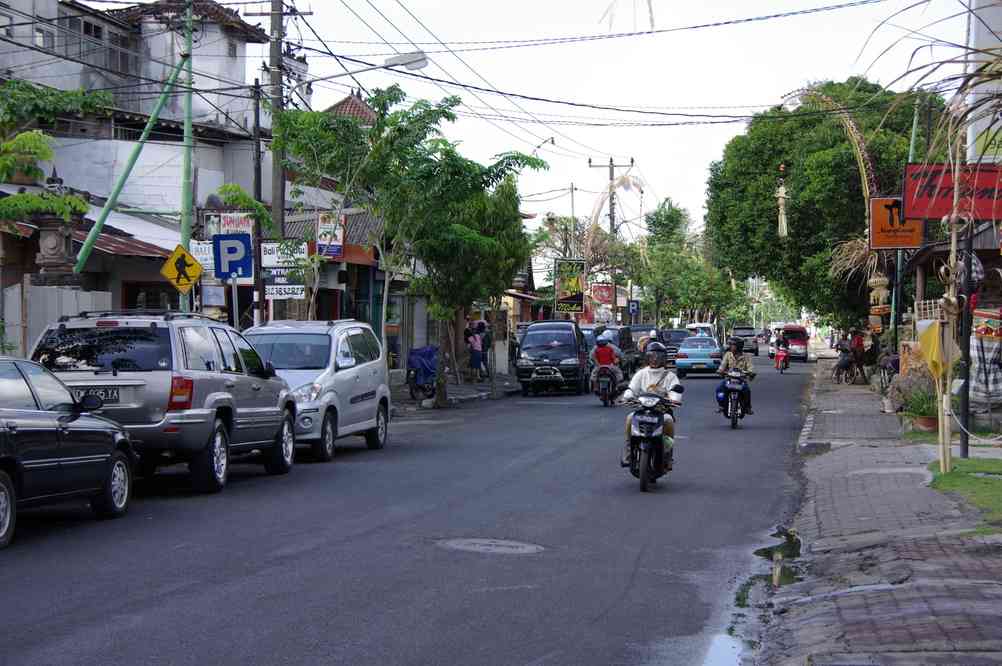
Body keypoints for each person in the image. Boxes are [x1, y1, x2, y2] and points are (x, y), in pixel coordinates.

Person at [620, 341, 682, 469]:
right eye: (651, 356)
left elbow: (675, 391)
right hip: (643, 410)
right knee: (630, 418)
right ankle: (627, 452)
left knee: (669, 421)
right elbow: (632, 388)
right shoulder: (641, 373)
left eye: (658, 357)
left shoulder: (670, 376)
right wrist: (628, 395)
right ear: (647, 358)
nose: (654, 359)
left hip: (662, 411)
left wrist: (674, 398)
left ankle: (668, 456)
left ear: (664, 359)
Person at [717, 337, 755, 414]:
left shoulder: (746, 356)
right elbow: (723, 365)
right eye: (730, 345)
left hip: (741, 379)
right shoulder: (728, 355)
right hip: (729, 378)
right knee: (719, 389)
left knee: (747, 391)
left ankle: (747, 407)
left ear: (739, 346)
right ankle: (721, 405)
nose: (730, 346)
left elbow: (750, 367)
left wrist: (751, 373)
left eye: (732, 345)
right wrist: (720, 370)